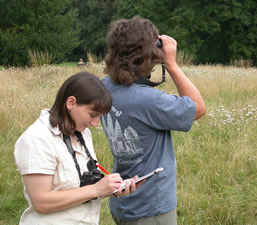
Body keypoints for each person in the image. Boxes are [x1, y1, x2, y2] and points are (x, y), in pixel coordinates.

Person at [100, 16, 206, 225]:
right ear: (150, 55)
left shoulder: (103, 87)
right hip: (151, 209)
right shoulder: (148, 100)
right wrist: (172, 65)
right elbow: (198, 108)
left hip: (122, 203)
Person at [14, 71, 139, 225]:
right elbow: (41, 202)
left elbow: (80, 186)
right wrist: (96, 190)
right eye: (93, 114)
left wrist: (110, 188)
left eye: (99, 117)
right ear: (71, 103)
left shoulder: (82, 132)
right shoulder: (37, 139)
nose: (95, 123)